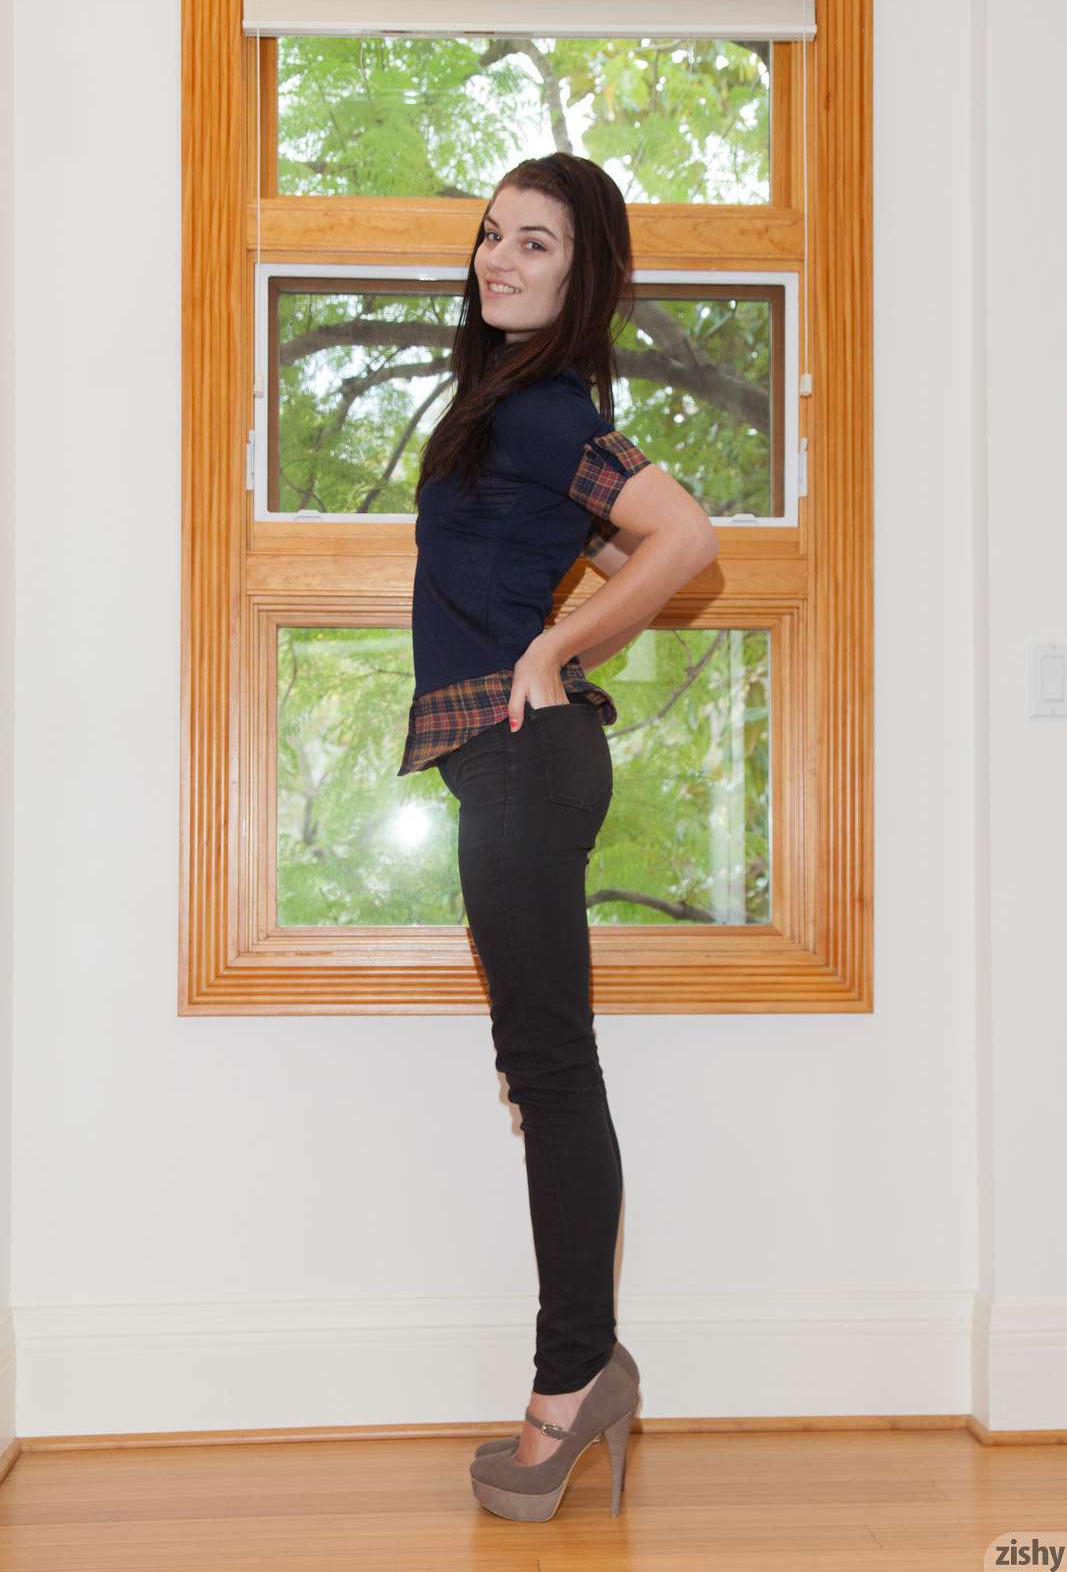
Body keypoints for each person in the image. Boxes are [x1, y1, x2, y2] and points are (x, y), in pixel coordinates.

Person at [400, 151, 719, 1520]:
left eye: (537, 241)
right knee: (546, 1072)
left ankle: (569, 1384)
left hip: (523, 756)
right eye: (493, 233)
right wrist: (568, 609)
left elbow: (685, 539)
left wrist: (551, 649)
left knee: (551, 1071)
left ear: (585, 273)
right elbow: (629, 554)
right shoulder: (511, 410)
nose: (500, 257)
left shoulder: (542, 410)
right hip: (507, 762)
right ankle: (584, 1372)